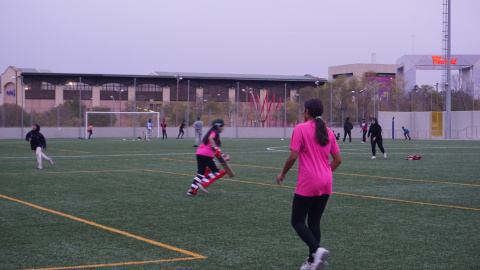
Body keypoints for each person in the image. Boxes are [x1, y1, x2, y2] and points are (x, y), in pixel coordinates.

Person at [276, 98, 342, 270]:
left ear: (306, 112)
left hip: (309, 182)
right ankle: (313, 262)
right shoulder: (328, 131)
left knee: (297, 221)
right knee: (314, 222)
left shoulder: (301, 128)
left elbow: (292, 156)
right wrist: (325, 173)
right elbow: (338, 160)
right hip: (326, 182)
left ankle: (316, 251)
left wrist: (282, 173)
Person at [187, 119, 227, 196]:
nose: (223, 128)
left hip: (199, 153)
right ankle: (204, 182)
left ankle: (191, 190)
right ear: (218, 126)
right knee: (216, 171)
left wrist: (222, 155)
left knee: (200, 173)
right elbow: (211, 139)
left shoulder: (211, 132)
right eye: (222, 126)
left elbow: (213, 147)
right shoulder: (214, 133)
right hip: (206, 155)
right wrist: (216, 148)